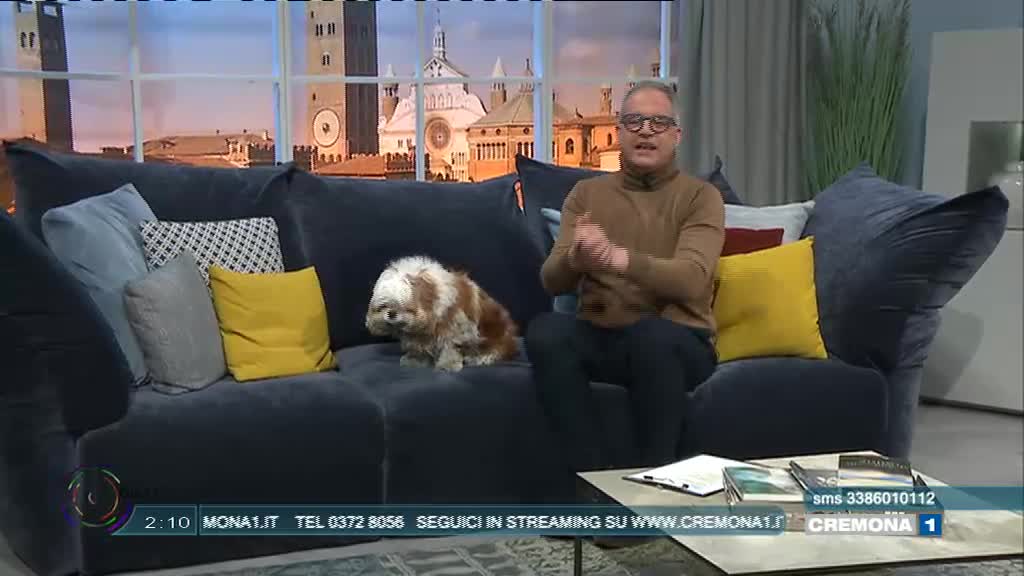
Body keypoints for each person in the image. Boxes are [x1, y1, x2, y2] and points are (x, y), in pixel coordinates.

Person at [526, 80, 724, 473]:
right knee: (546, 331)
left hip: (679, 341)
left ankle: (651, 486)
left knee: (651, 337)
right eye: (634, 121)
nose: (645, 131)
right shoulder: (586, 195)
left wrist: (617, 259)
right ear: (619, 132)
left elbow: (691, 279)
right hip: (603, 335)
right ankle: (592, 482)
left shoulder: (701, 197)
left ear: (677, 135)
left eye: (658, 123)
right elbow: (552, 281)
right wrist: (576, 259)